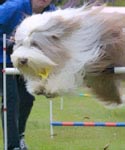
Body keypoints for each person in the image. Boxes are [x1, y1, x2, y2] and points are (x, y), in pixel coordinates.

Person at [0, 0, 56, 150]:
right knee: (12, 100)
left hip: (26, 62)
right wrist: (6, 41)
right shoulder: (12, 8)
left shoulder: (51, 13)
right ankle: (12, 146)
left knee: (27, 99)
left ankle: (20, 137)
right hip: (3, 60)